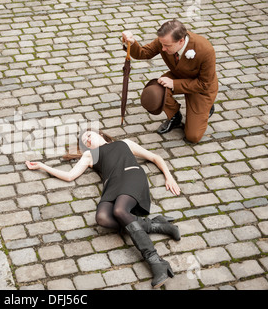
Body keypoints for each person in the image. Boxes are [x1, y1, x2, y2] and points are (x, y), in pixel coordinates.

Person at [26, 129, 181, 288]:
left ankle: (155, 261)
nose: (87, 140)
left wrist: (169, 177)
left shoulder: (124, 143)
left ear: (100, 134)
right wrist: (43, 166)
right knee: (102, 218)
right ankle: (156, 225)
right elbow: (69, 176)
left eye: (89, 135)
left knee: (120, 211)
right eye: (84, 141)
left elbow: (154, 157)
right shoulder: (89, 156)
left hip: (131, 176)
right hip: (111, 187)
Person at [122, 19, 218, 143]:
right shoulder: (164, 41)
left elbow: (205, 84)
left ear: (181, 41)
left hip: (200, 87)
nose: (163, 49)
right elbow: (143, 53)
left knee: (192, 136)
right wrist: (131, 43)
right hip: (178, 75)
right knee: (154, 93)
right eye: (162, 45)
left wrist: (174, 84)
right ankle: (174, 116)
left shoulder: (206, 50)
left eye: (167, 46)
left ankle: (207, 106)